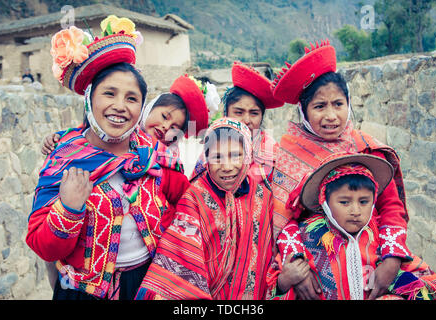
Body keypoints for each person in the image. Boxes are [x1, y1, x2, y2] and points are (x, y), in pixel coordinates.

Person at [26, 18, 190, 300]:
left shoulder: (152, 153)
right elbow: (44, 248)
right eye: (109, 94)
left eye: (131, 98)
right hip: (84, 293)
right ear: (90, 99)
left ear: (141, 107)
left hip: (147, 285)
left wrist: (164, 228)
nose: (119, 106)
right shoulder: (66, 158)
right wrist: (69, 208)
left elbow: (185, 199)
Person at [270, 39, 412, 299]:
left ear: (349, 104)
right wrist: (298, 267)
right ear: (303, 110)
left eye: (338, 104)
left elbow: (391, 207)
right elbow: (284, 220)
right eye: (319, 106)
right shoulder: (288, 155)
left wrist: (391, 259)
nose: (331, 116)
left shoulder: (367, 149)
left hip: (373, 258)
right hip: (317, 268)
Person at [135, 117, 275, 300]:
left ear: (247, 155)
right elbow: (181, 257)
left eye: (235, 155)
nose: (227, 167)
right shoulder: (194, 198)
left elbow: (268, 252)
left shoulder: (263, 198)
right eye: (217, 157)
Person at [274, 153, 436, 300]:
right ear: (324, 201)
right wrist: (284, 282)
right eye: (344, 202)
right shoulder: (305, 239)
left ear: (374, 201)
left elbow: (430, 285)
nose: (355, 211)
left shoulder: (381, 243)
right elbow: (273, 287)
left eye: (363, 202)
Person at [41, 74, 219, 157]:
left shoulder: (169, 160)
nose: (166, 127)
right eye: (165, 117)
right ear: (147, 109)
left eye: (174, 128)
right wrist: (58, 137)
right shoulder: (114, 134)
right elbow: (80, 135)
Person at [191, 61, 284, 189]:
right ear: (226, 113)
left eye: (254, 113)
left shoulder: (272, 152)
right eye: (238, 112)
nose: (246, 120)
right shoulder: (213, 146)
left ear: (262, 116)